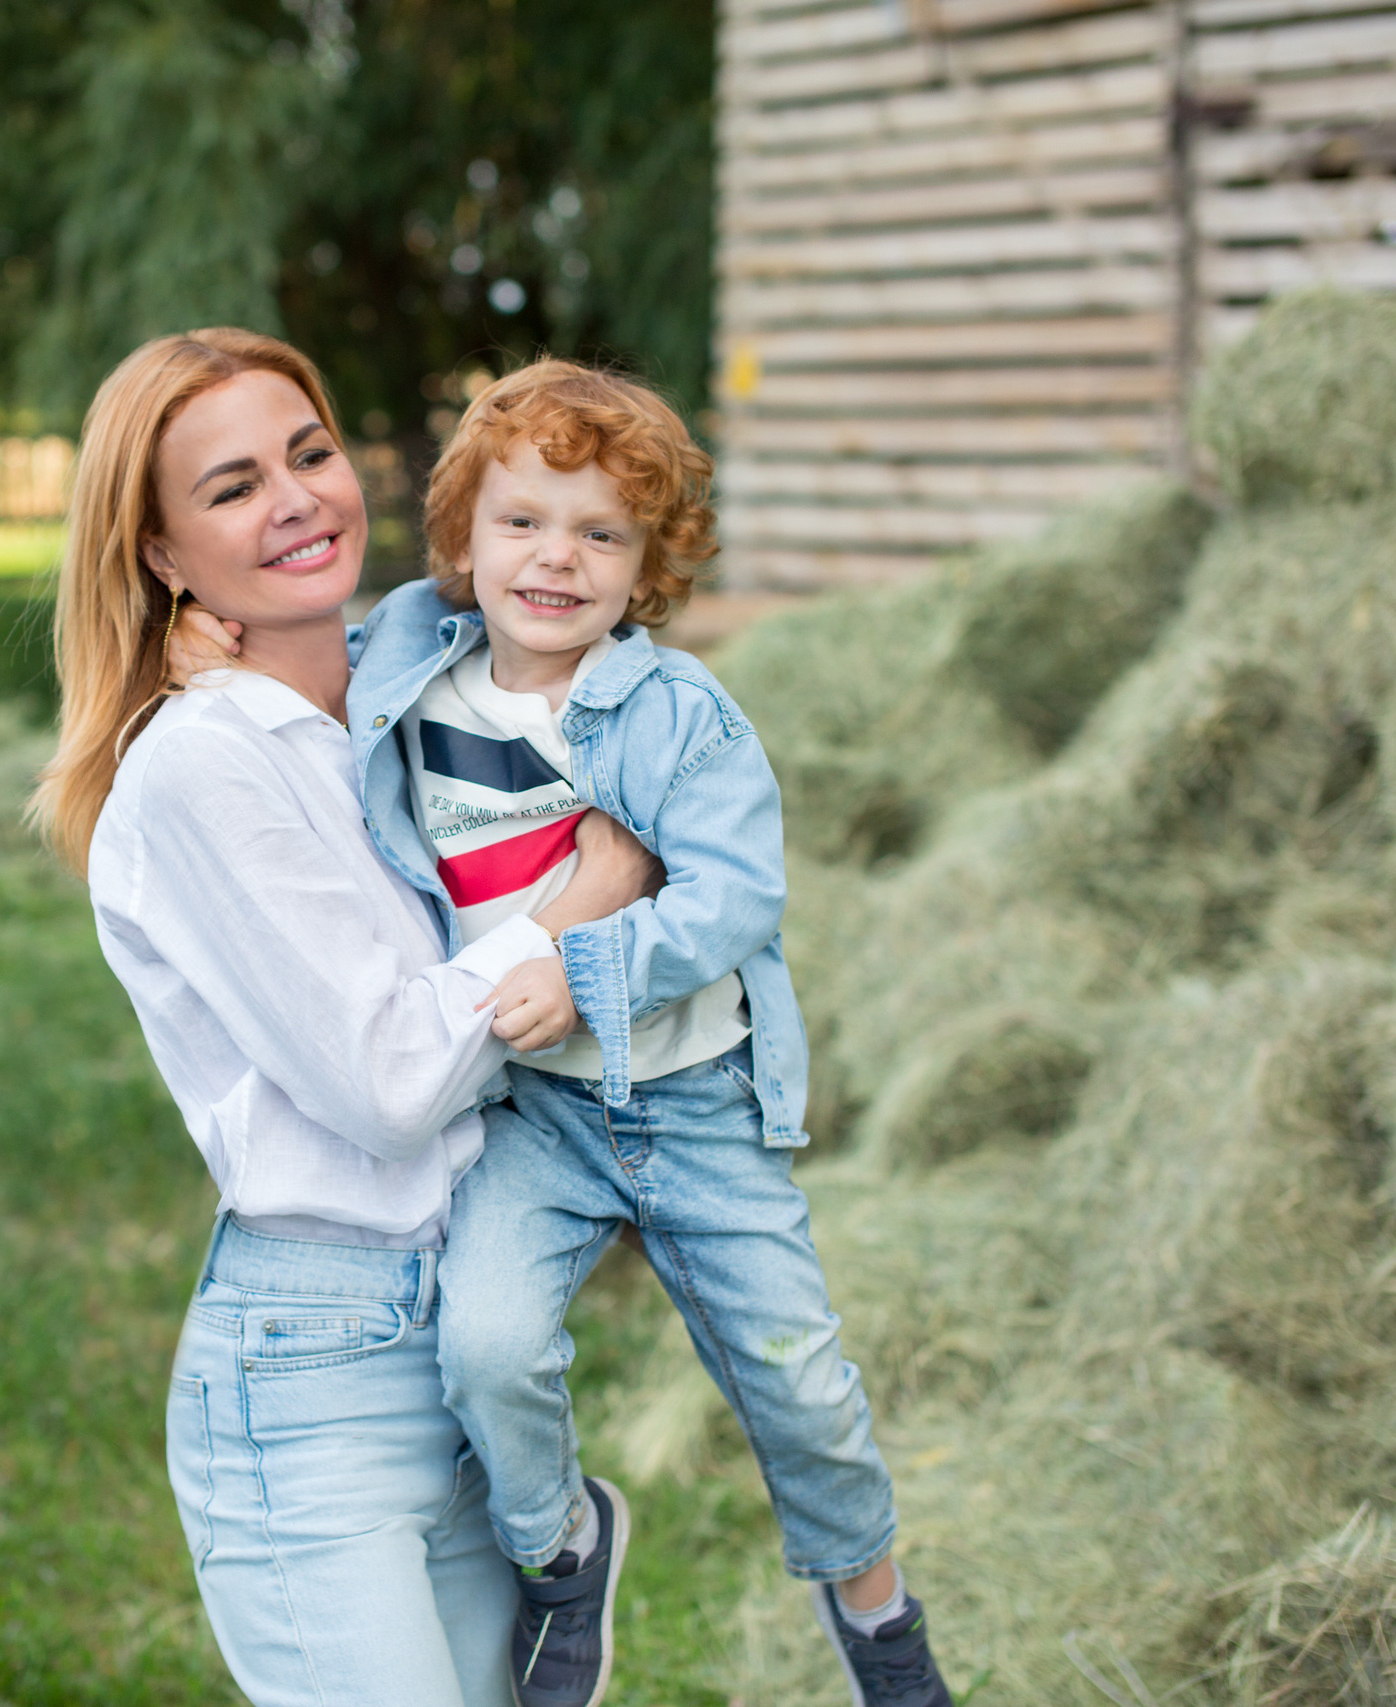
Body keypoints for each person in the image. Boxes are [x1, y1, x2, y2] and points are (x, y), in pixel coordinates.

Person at [178, 359, 953, 1707]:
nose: (558, 559)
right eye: (525, 522)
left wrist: (587, 966)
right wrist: (206, 640)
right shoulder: (409, 667)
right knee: (484, 1349)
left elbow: (736, 895)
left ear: (650, 565)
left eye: (603, 535)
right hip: (533, 1117)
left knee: (800, 1386)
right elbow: (294, 663)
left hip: (689, 1102)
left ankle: (878, 1616)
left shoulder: (675, 712)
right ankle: (559, 1546)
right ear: (464, 540)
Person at [29, 328, 662, 1707]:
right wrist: (580, 901)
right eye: (233, 487)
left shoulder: (404, 707)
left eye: (309, 453)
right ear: (160, 553)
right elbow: (388, 1074)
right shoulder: (201, 768)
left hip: (474, 1336)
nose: (298, 498)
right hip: (315, 1374)